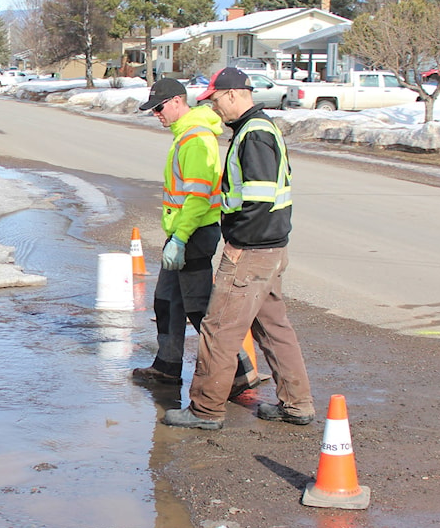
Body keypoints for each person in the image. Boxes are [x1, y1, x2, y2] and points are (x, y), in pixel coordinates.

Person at [162, 67, 314, 430]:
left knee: (219, 329)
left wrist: (237, 245)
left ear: (233, 94)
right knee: (272, 327)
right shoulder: (256, 130)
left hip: (252, 250)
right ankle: (297, 404)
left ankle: (205, 410)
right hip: (270, 249)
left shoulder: (254, 134)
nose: (214, 108)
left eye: (215, 100)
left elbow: (258, 200)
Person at [131, 78, 224, 386]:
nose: (156, 114)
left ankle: (236, 371)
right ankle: (167, 366)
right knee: (167, 301)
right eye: (153, 110)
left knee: (198, 308)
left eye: (159, 108)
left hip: (194, 234)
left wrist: (181, 239)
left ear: (176, 102)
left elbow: (197, 200)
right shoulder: (184, 136)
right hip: (183, 234)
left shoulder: (195, 139)